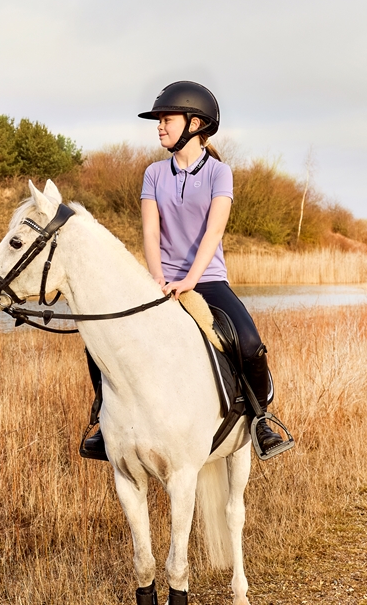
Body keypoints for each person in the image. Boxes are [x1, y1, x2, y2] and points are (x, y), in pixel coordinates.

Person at [80, 81, 284, 461]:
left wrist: (190, 280)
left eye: (166, 119)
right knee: (99, 340)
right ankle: (102, 425)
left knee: (250, 345)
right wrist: (156, 276)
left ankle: (261, 421)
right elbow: (149, 230)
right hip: (159, 280)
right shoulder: (153, 174)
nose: (159, 126)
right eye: (159, 120)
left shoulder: (219, 173)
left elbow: (215, 231)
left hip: (207, 280)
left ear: (195, 124)